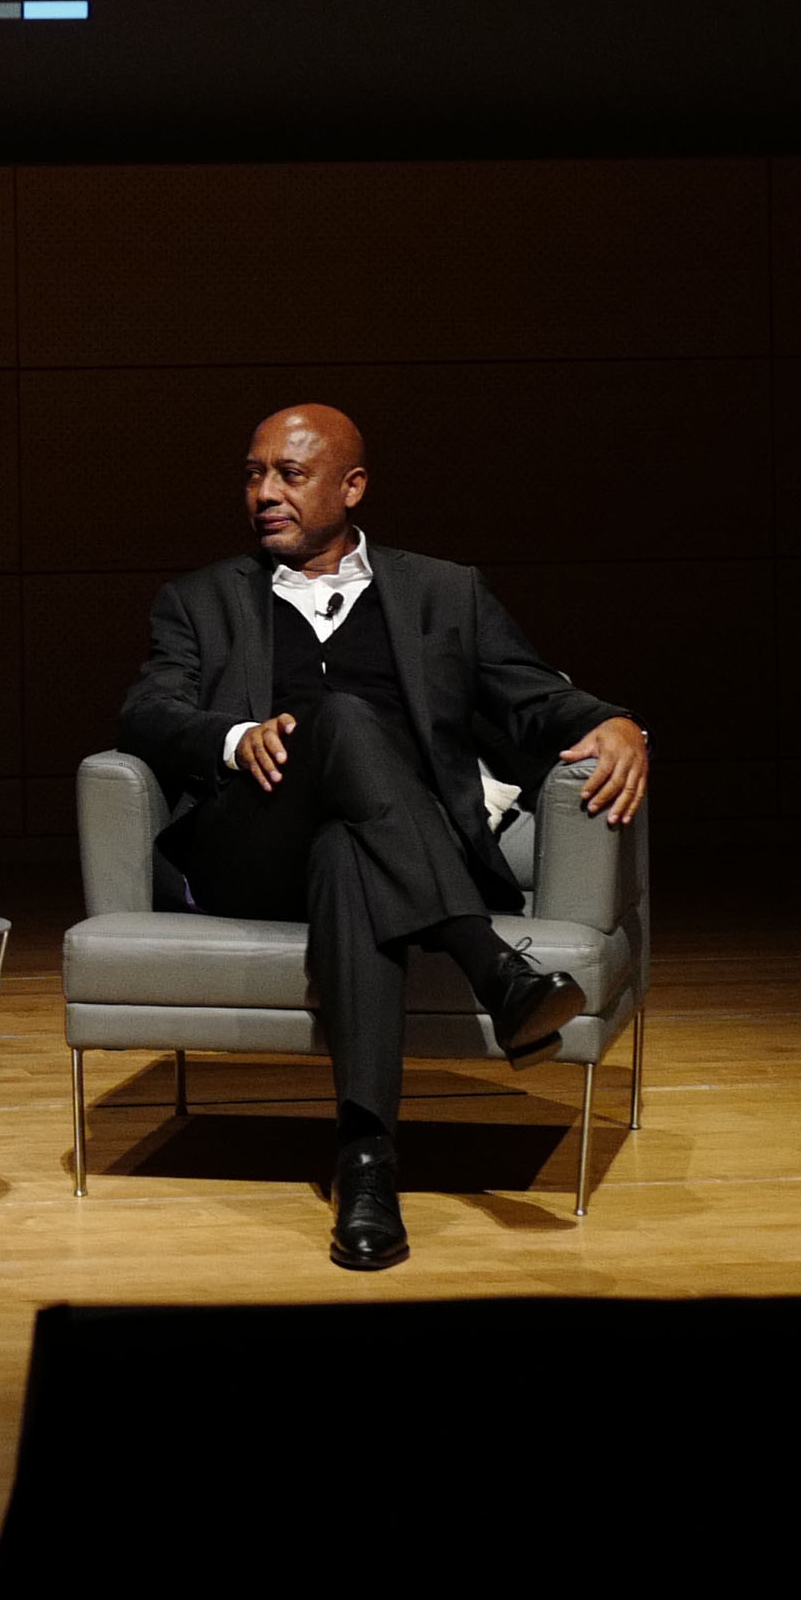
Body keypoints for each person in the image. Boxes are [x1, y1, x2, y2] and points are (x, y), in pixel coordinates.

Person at [118, 404, 648, 1272]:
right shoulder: (200, 599)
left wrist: (615, 720)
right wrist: (230, 737)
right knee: (344, 720)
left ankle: (365, 1167)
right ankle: (489, 967)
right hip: (250, 848)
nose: (264, 494)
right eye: (252, 475)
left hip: (376, 858)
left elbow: (530, 695)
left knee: (346, 852)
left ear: (351, 487)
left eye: (288, 475)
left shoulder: (444, 591)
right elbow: (147, 710)